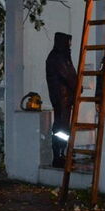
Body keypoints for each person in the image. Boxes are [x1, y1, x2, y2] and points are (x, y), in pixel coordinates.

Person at [45, 32, 78, 167]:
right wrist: (77, 86)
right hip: (62, 97)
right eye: (68, 42)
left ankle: (61, 155)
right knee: (62, 127)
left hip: (63, 97)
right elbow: (68, 75)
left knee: (62, 126)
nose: (70, 44)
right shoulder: (58, 57)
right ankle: (59, 156)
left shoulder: (59, 56)